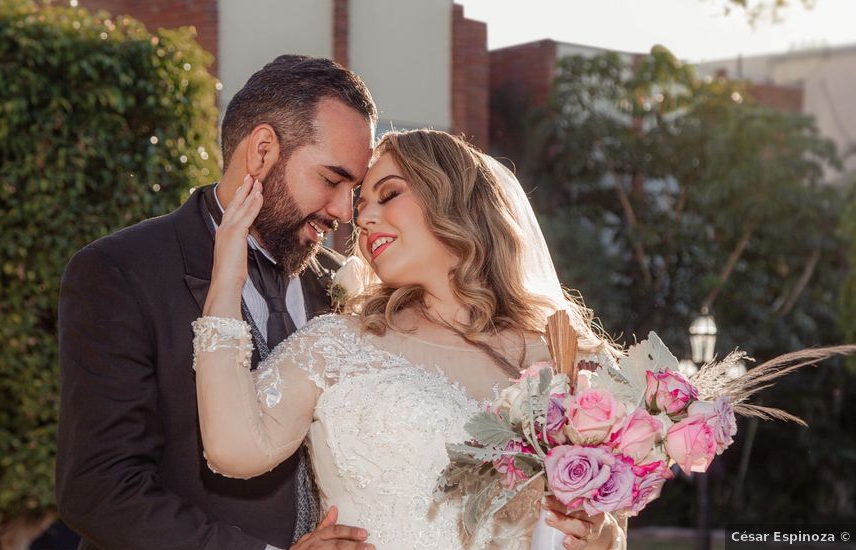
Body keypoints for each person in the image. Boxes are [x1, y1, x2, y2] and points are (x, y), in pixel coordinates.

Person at [194, 129, 627, 549]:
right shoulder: (335, 346)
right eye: (362, 206)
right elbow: (232, 448)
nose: (361, 219)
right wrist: (227, 276)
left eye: (389, 194)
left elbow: (610, 528)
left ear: (454, 199)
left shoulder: (574, 365)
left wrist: (602, 537)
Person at [56, 55, 378, 550]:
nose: (343, 211)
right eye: (332, 180)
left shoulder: (345, 285)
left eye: (354, 191)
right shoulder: (120, 271)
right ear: (263, 150)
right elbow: (100, 487)